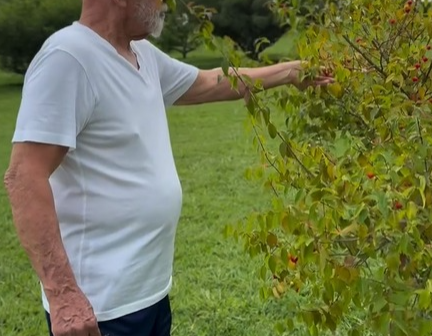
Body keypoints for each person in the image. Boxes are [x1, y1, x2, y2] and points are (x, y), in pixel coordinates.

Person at [3, 0, 334, 335]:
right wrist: (63, 297)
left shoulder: (141, 54)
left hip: (149, 294)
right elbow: (24, 178)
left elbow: (209, 82)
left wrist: (291, 72)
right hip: (99, 310)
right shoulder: (68, 58)